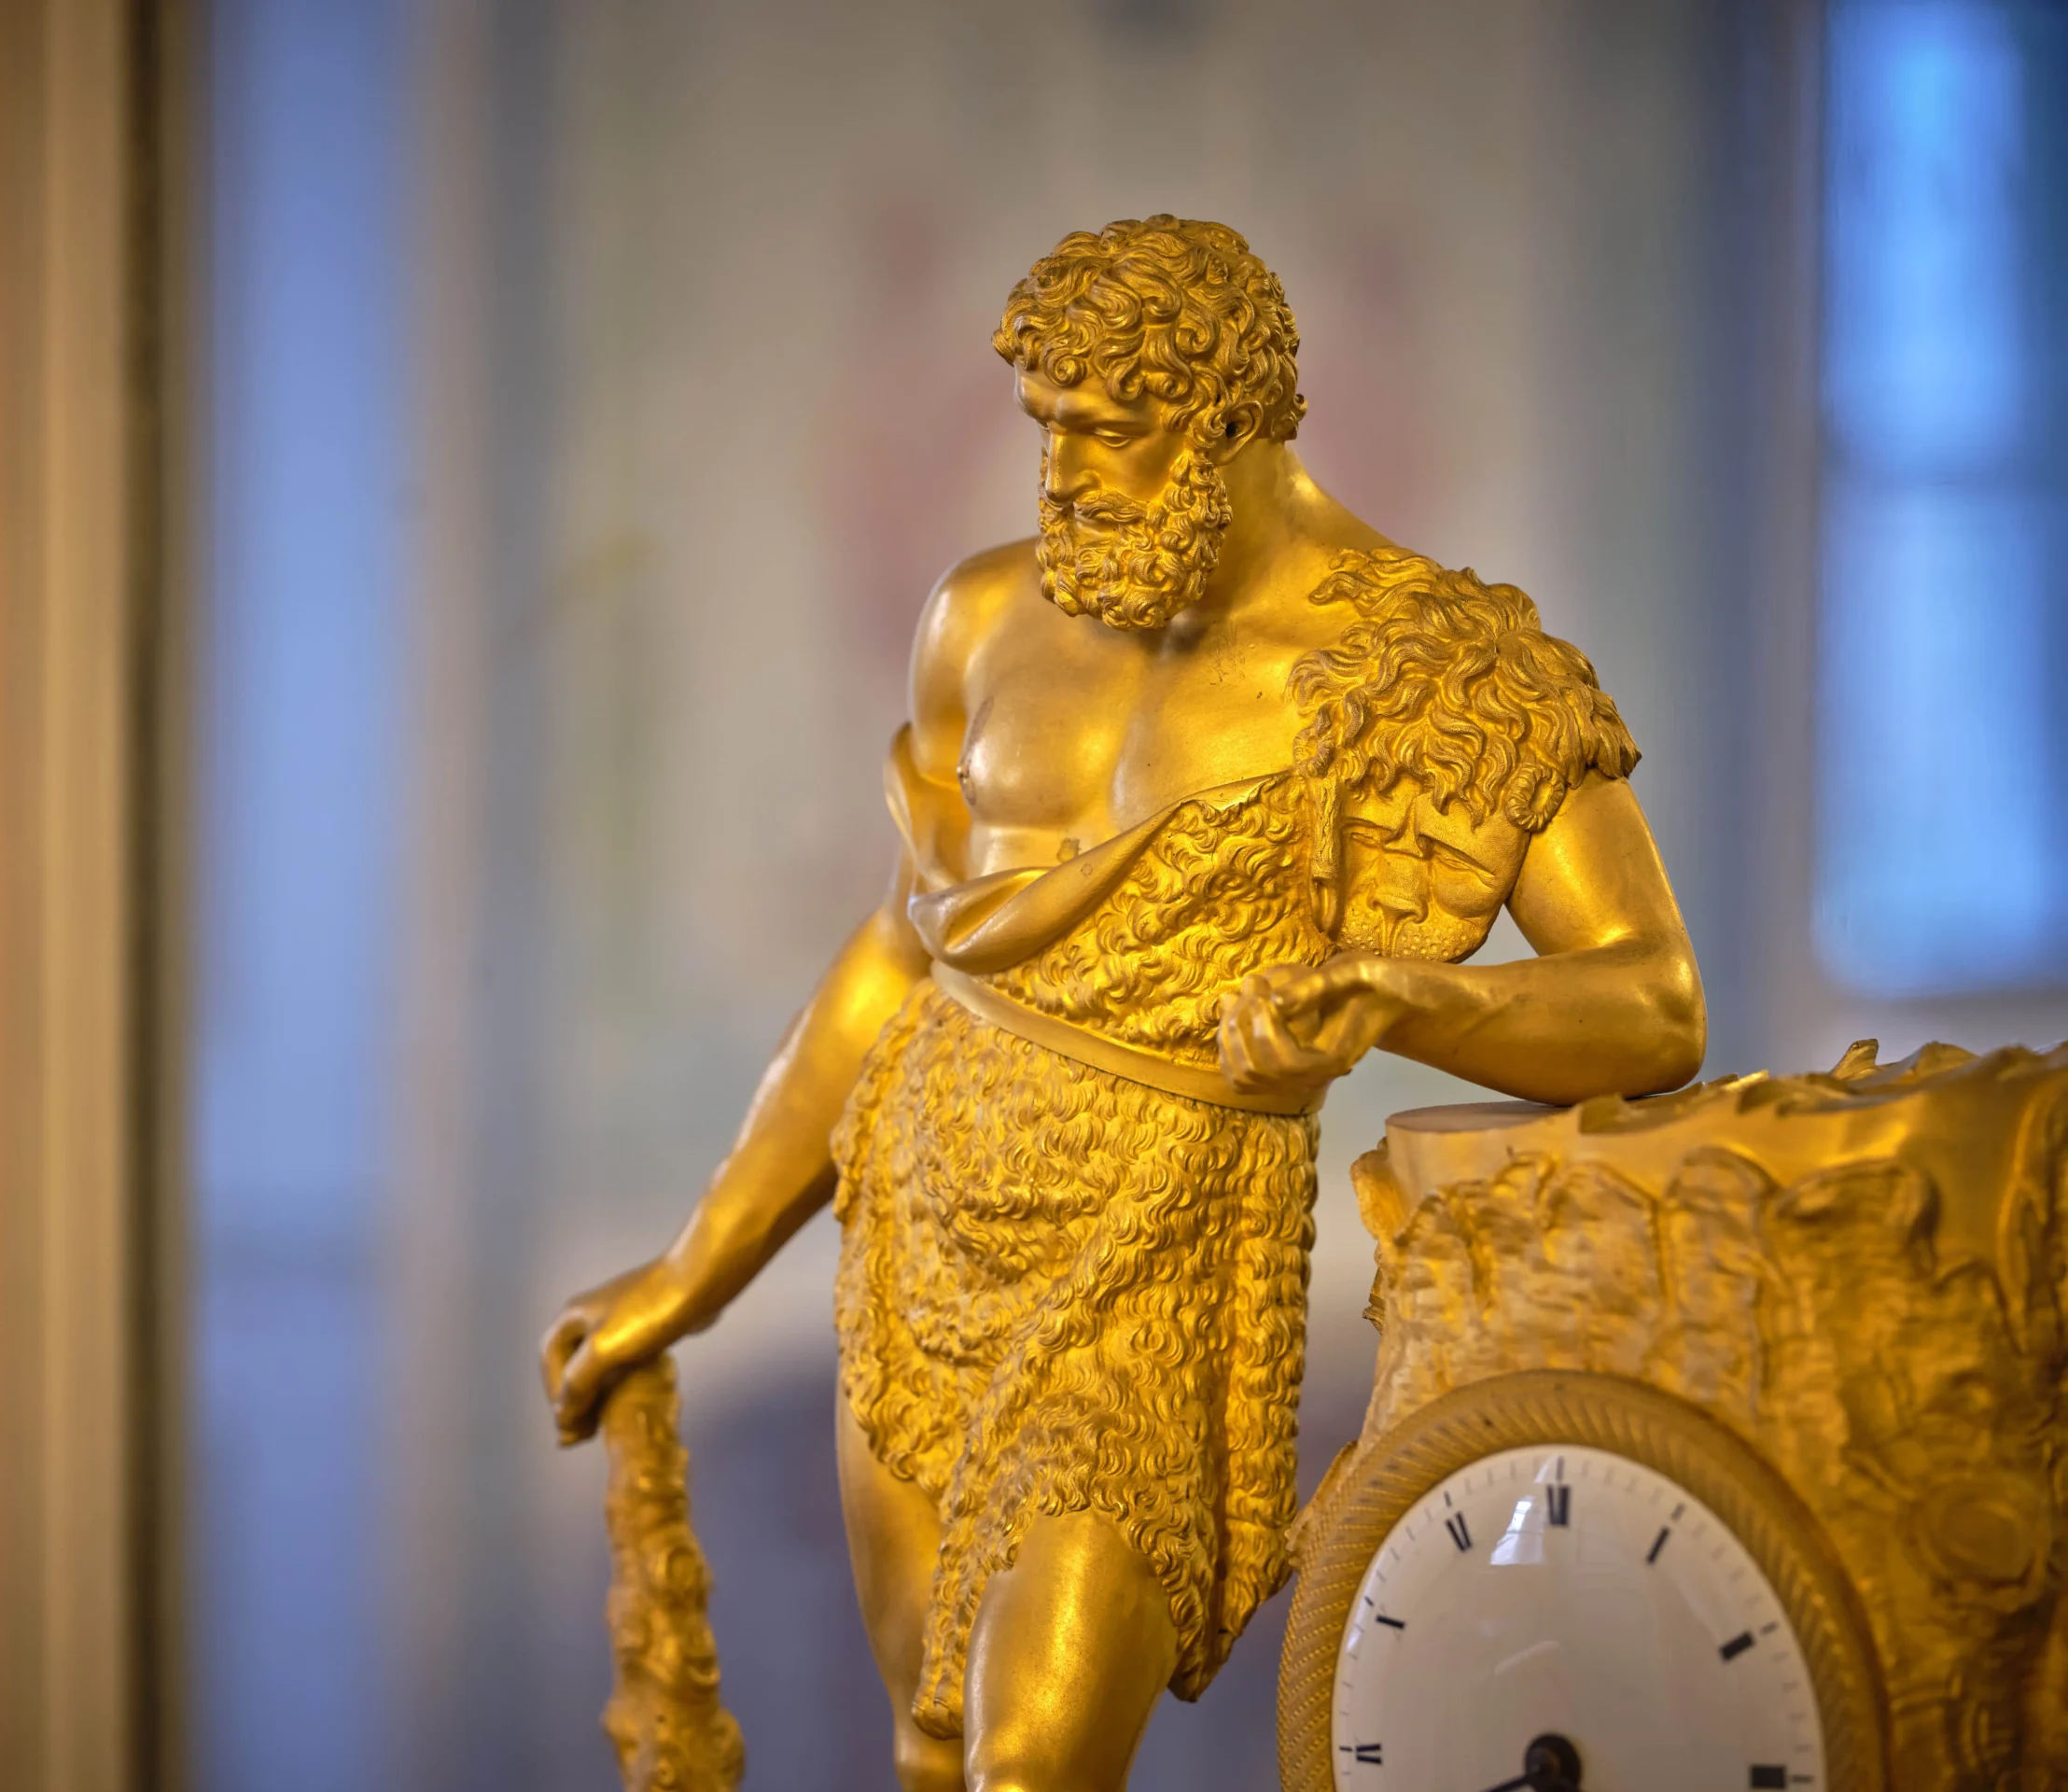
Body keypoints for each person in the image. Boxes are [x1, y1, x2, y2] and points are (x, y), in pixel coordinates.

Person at [542, 215, 1704, 1792]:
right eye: (1046, 427)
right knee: (933, 1747)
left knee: (1031, 1764)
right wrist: (695, 1270)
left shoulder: (1447, 678)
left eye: (1110, 432)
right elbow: (899, 953)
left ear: (1233, 422)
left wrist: (1406, 997)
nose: (1063, 475)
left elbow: (1652, 1005)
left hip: (1157, 1270)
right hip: (921, 1242)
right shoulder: (982, 617)